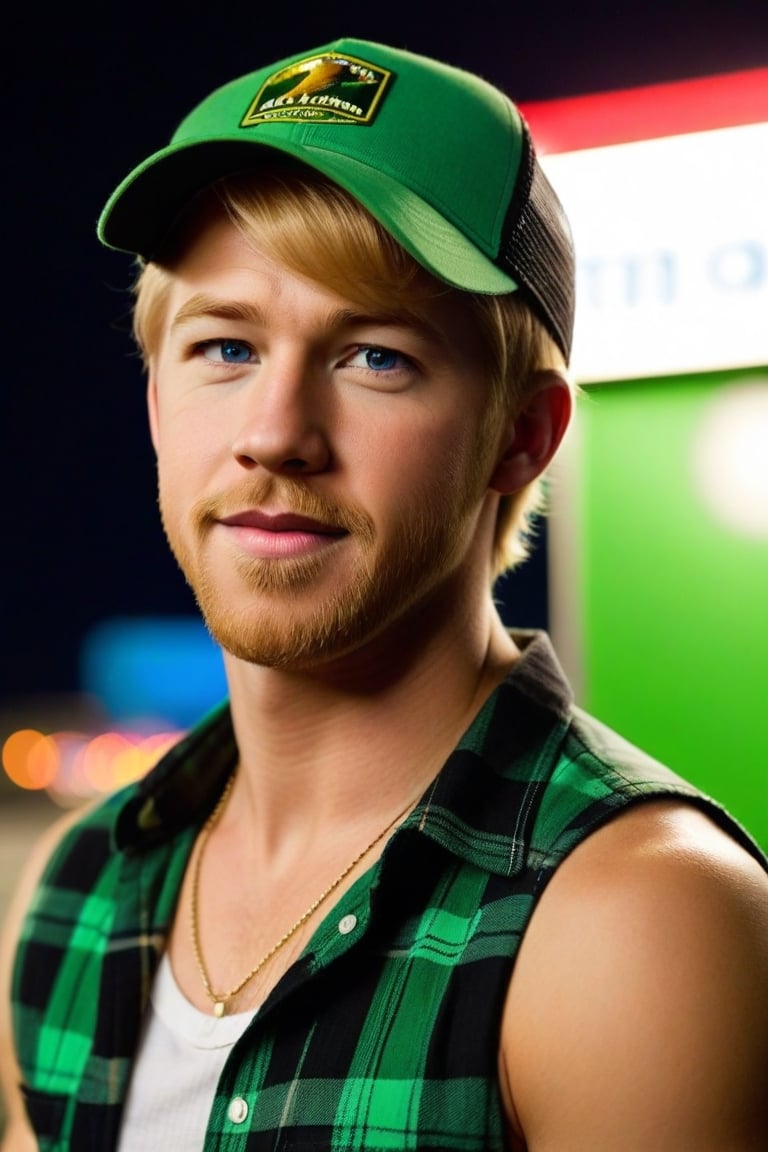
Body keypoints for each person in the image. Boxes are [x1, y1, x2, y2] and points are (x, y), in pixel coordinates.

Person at [1, 36, 767, 1152]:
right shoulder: (81, 887)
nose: (275, 434)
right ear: (159, 406)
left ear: (520, 437)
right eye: (224, 346)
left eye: (376, 358)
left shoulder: (645, 925)